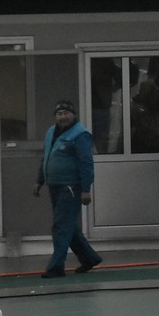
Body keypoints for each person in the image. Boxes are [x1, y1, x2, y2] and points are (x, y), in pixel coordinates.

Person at [33, 100, 102, 278]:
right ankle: (89, 258)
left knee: (61, 226)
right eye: (59, 113)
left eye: (66, 113)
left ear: (73, 115)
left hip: (70, 187)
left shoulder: (81, 135)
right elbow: (45, 157)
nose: (63, 117)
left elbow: (86, 164)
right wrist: (39, 180)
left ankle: (56, 266)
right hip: (54, 185)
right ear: (55, 116)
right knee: (68, 226)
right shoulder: (50, 132)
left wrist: (86, 189)